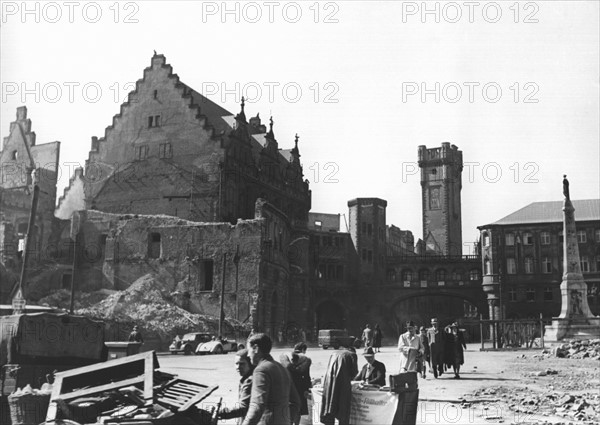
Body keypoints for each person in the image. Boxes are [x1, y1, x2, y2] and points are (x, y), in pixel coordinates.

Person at [242, 333, 300, 425]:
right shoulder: (282, 368)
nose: (248, 355)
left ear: (256, 348)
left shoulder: (261, 370)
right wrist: (287, 420)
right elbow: (296, 402)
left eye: (249, 350)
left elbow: (257, 407)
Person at [320, 348, 357, 425]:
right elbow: (354, 372)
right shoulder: (352, 355)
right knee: (343, 412)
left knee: (329, 409)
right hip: (343, 386)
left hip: (329, 384)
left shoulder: (334, 353)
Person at [218, 349, 254, 424]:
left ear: (250, 364)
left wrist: (221, 412)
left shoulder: (249, 381)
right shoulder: (246, 379)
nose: (238, 367)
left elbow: (243, 409)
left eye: (242, 364)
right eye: (236, 364)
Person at [279, 342, 312, 425]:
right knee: (298, 409)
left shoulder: (285, 358)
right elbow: (306, 377)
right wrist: (307, 389)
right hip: (299, 387)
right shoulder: (305, 360)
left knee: (289, 407)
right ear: (303, 349)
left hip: (287, 386)